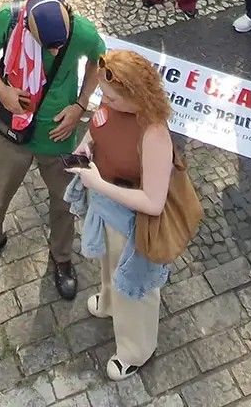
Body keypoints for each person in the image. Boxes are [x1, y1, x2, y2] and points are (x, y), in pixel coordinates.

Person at [0, 0, 104, 302]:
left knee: (65, 200)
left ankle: (61, 255)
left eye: (59, 47)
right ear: (28, 27)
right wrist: (0, 88)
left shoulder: (82, 31)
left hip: (58, 135)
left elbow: (99, 61)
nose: (53, 53)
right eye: (47, 47)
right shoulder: (9, 19)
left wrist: (80, 104)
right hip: (12, 131)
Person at [64, 48, 177, 381]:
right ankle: (110, 303)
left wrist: (99, 183)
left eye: (111, 97)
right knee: (108, 266)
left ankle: (136, 349)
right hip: (105, 206)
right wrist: (86, 147)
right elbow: (97, 128)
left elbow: (154, 202)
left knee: (135, 288)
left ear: (135, 96)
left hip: (131, 222)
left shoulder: (155, 134)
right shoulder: (111, 103)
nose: (104, 101)